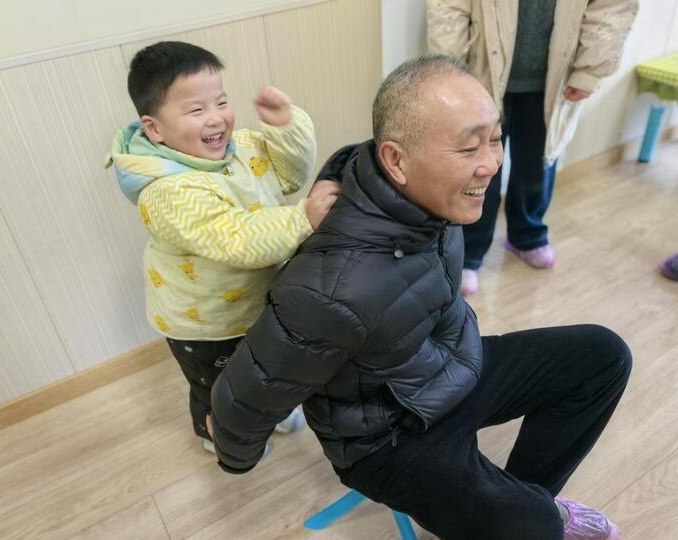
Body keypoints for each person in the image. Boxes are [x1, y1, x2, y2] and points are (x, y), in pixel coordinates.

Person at [209, 55, 632, 540]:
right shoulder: (332, 287)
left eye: (495, 138)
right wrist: (234, 456)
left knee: (603, 356)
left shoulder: (426, 192)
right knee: (536, 528)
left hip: (448, 367)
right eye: (468, 147)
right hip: (385, 438)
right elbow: (248, 393)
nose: (491, 163)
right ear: (397, 162)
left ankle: (524, 498)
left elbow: (355, 152)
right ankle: (531, 514)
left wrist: (330, 172)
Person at [105, 41, 339, 454]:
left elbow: (290, 176)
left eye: (222, 102)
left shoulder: (240, 149)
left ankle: (271, 412)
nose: (216, 118)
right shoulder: (167, 192)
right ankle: (220, 434)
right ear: (154, 128)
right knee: (219, 388)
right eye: (196, 110)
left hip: (256, 303)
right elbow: (236, 238)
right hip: (204, 324)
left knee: (268, 367)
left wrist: (286, 128)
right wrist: (302, 218)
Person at [427, 0, 638, 296]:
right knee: (476, 170)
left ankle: (527, 234)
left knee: (537, 164)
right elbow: (449, 6)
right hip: (479, 72)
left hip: (552, 78)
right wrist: (451, 72)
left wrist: (590, 68)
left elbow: (611, 6)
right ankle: (468, 250)